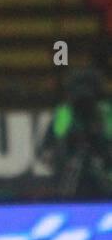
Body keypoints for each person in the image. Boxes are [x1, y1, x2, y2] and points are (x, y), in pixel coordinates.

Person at [38, 68, 112, 198]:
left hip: (105, 174)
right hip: (70, 174)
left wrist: (100, 143)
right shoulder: (64, 112)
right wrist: (63, 151)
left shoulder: (106, 111)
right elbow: (46, 150)